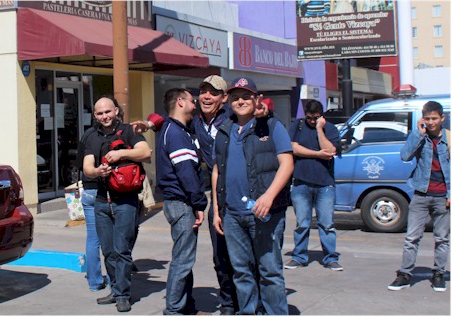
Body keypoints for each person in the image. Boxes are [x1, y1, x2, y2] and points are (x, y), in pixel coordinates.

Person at [132, 75, 270, 315]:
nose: (206, 96)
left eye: (213, 93)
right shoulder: (194, 123)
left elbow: (261, 117)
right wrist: (150, 122)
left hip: (243, 193)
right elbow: (169, 117)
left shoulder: (232, 118)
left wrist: (265, 110)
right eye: (203, 91)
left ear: (224, 98)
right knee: (221, 257)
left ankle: (252, 305)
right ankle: (229, 305)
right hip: (218, 197)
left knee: (247, 257)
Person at [211, 77, 293, 315]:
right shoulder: (223, 131)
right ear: (229, 102)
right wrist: (217, 210)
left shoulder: (272, 125)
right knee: (241, 271)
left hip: (265, 213)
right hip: (233, 215)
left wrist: (268, 197)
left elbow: (287, 164)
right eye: (235, 98)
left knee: (270, 272)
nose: (241, 101)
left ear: (257, 99)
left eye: (246, 96)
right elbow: (217, 171)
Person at [82, 96, 151, 312]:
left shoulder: (129, 131)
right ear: (95, 115)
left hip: (126, 200)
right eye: (100, 113)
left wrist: (121, 153)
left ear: (116, 111)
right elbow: (87, 166)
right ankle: (115, 288)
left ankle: (123, 294)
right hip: (102, 200)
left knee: (122, 249)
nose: (104, 117)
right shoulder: (91, 136)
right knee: (109, 250)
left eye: (108, 112)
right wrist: (97, 171)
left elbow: (145, 152)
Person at [156, 88, 208, 315]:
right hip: (181, 202)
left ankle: (186, 306)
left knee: (184, 257)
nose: (195, 105)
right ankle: (174, 310)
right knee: (183, 259)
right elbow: (186, 172)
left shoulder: (175, 130)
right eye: (192, 100)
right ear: (180, 102)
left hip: (180, 201)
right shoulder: (176, 134)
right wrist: (199, 203)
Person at [388, 101, 449, 292]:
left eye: (434, 118)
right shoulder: (419, 137)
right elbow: (404, 156)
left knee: (442, 239)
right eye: (427, 119)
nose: (431, 122)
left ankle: (439, 274)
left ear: (442, 118)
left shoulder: (449, 138)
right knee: (411, 238)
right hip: (421, 195)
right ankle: (405, 274)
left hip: (442, 196)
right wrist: (417, 134)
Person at [284, 100, 343, 271]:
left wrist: (319, 129)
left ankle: (330, 257)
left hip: (325, 185)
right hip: (301, 183)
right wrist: (317, 154)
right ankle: (299, 256)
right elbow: (292, 147)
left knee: (326, 224)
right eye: (310, 118)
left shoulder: (329, 128)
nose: (312, 121)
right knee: (302, 223)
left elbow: (331, 150)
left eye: (316, 118)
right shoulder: (297, 126)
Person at [76, 106, 107, 293]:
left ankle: (94, 281)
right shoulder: (107, 137)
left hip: (88, 189)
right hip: (102, 190)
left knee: (93, 238)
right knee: (110, 239)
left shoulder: (86, 135)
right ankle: (114, 279)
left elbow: (80, 162)